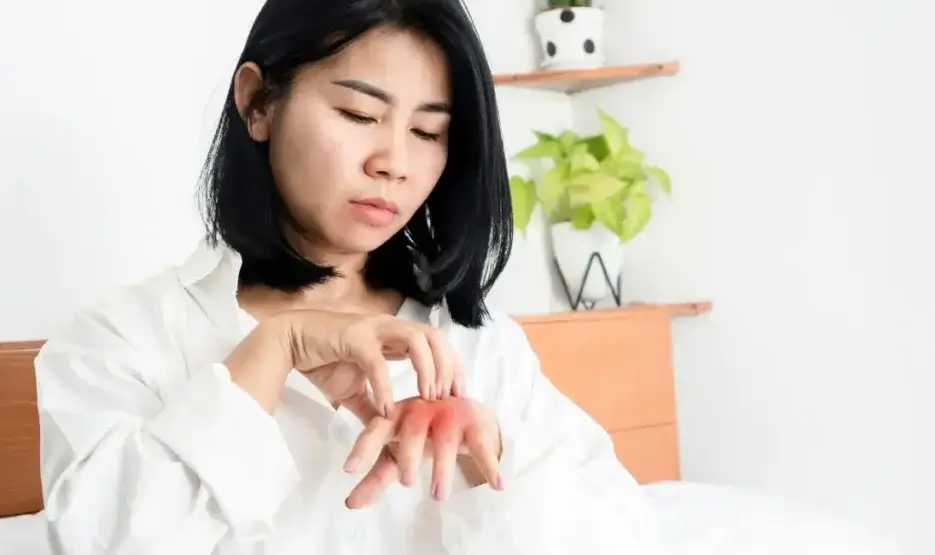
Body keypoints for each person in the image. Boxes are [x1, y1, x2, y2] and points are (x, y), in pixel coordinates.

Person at [34, 0, 667, 553]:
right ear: (257, 102)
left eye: (428, 131)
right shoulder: (121, 341)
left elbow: (624, 538)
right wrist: (269, 354)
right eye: (360, 115)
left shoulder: (479, 343)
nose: (395, 162)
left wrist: (490, 456)